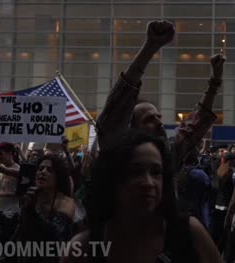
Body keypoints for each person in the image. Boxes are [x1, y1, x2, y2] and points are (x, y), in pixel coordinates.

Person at [57, 129, 224, 263]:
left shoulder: (190, 233)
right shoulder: (82, 248)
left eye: (156, 172)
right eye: (135, 171)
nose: (149, 183)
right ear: (112, 178)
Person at [96, 20, 225, 171]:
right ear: (131, 129)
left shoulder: (167, 156)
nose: (159, 123)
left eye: (158, 117)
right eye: (149, 119)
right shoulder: (118, 156)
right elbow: (119, 101)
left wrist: (214, 82)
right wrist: (150, 47)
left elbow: (195, 125)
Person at [6, 155, 76, 263]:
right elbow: (20, 233)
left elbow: (56, 235)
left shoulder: (66, 202)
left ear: (59, 177)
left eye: (50, 170)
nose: (43, 172)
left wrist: (31, 211)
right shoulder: (31, 197)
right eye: (40, 168)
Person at [210, 153, 235, 253]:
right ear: (231, 161)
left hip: (217, 205)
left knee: (216, 233)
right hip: (227, 206)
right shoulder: (232, 174)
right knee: (225, 235)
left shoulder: (218, 171)